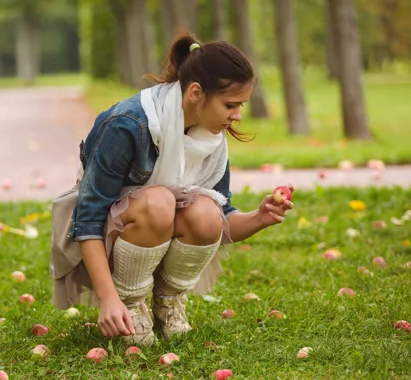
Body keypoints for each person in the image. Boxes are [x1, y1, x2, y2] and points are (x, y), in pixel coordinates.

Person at [50, 33, 294, 346]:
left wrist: (259, 217)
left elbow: (221, 220)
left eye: (240, 105)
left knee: (208, 211)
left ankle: (169, 304)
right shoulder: (129, 124)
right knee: (160, 202)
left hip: (153, 232)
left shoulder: (209, 135)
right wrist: (108, 297)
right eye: (230, 105)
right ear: (195, 93)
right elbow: (88, 218)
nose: (238, 116)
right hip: (99, 236)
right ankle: (130, 304)